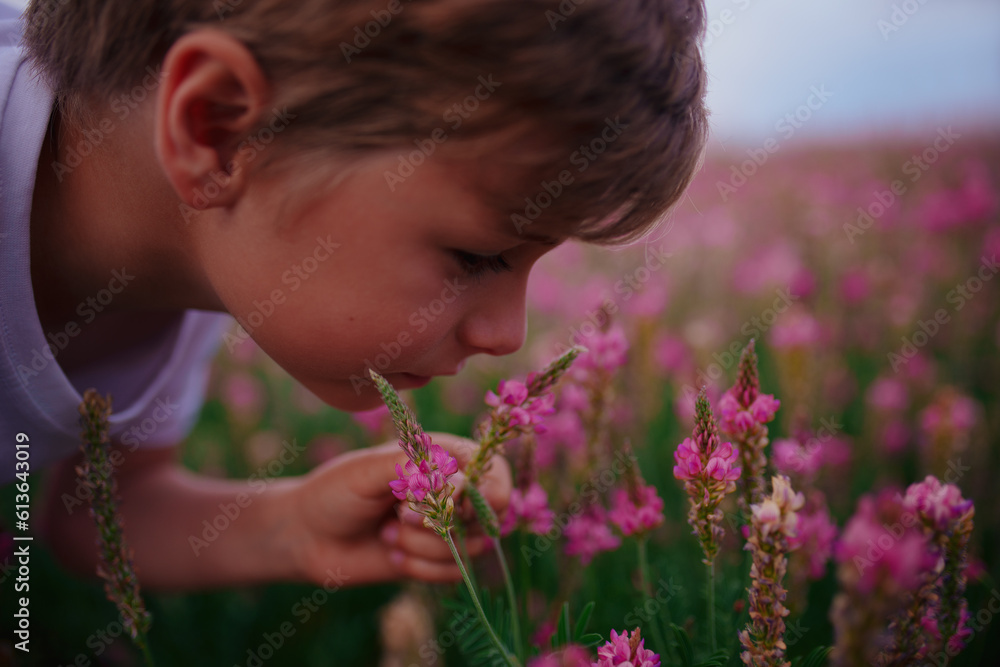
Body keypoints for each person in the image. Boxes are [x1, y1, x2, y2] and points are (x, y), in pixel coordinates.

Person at [0, 0, 708, 590]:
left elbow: (95, 510)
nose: (507, 333)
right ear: (217, 127)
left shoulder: (206, 248)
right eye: (477, 255)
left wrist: (294, 524)